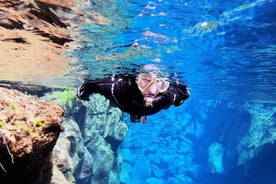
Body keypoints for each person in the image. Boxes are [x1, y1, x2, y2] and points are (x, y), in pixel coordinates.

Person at [77, 73, 190, 123]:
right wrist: (84, 94)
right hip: (124, 102)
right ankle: (136, 115)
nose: (153, 90)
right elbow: (88, 85)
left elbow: (183, 95)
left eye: (160, 83)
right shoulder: (117, 88)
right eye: (146, 80)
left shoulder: (168, 96)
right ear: (136, 80)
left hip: (132, 107)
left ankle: (138, 115)